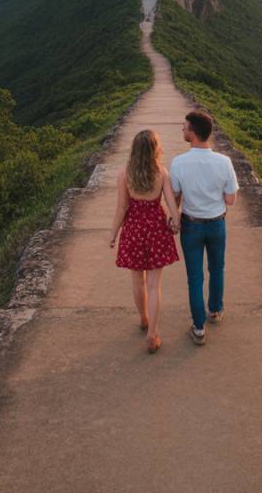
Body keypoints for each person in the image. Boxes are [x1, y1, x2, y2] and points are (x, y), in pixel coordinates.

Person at [170, 111, 238, 346]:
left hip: (192, 225)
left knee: (195, 277)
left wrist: (174, 218)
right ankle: (215, 311)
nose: (182, 130)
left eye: (185, 127)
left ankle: (199, 329)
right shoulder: (224, 162)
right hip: (217, 223)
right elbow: (231, 200)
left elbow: (176, 197)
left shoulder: (179, 162)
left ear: (194, 132)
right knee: (217, 268)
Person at [109, 129, 180, 354]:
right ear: (153, 150)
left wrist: (113, 234)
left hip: (133, 229)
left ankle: (143, 319)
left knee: (137, 281)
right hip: (156, 228)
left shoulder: (124, 174)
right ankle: (152, 335)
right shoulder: (162, 173)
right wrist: (176, 222)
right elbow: (171, 204)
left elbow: (122, 208)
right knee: (154, 284)